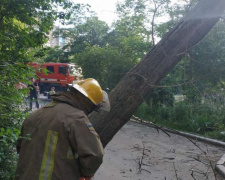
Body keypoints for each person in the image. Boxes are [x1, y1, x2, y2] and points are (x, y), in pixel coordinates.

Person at [15, 78, 110, 180]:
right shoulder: (76, 118)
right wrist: (85, 174)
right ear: (87, 101)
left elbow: (20, 147)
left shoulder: (35, 114)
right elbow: (95, 155)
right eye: (93, 107)